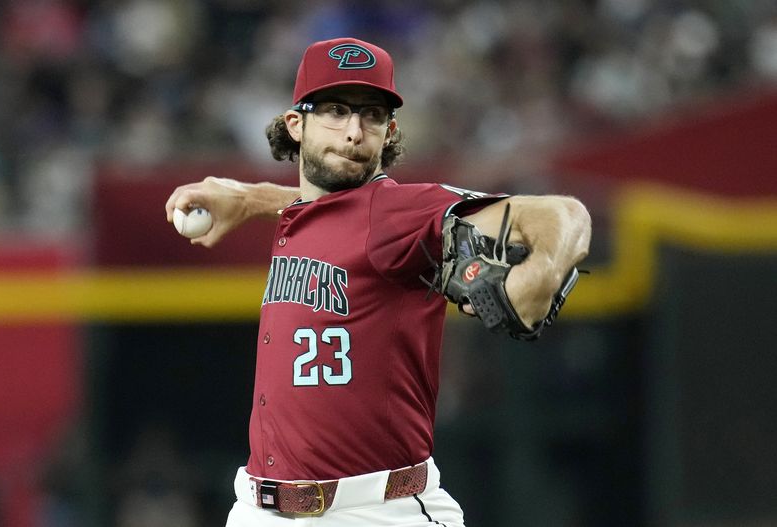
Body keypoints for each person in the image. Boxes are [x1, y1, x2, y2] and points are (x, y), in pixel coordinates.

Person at [165, 37, 591, 527]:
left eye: (372, 115)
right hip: (261, 509)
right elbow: (325, 211)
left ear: (389, 132)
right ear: (295, 125)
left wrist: (539, 275)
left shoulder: (398, 213)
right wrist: (247, 196)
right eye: (336, 110)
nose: (354, 131)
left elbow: (565, 213)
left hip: (376, 511)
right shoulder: (307, 214)